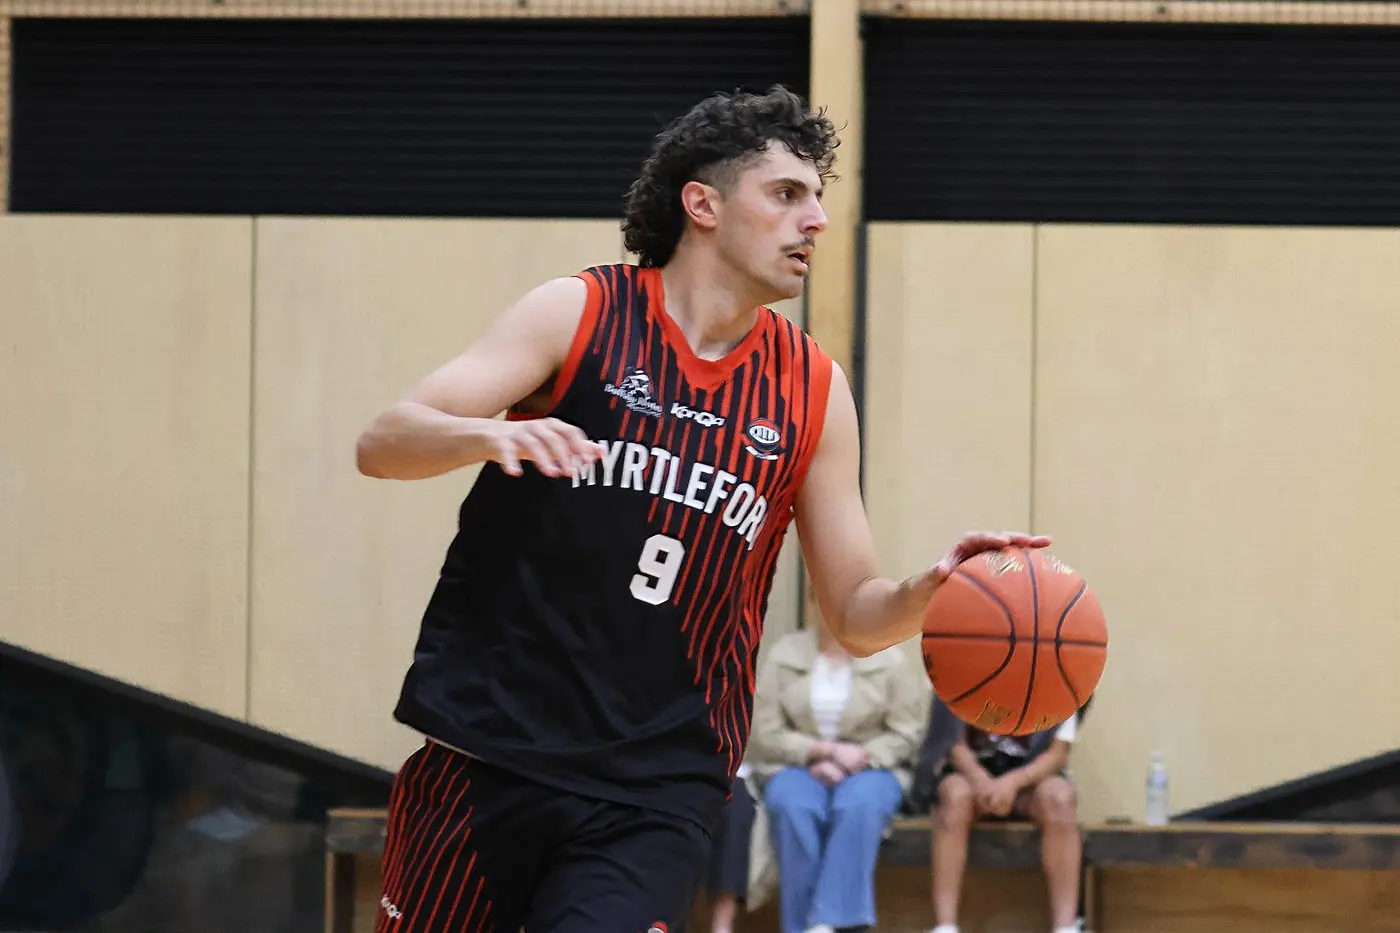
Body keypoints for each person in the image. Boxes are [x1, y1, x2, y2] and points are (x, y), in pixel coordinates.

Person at [355, 83, 1051, 933]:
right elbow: (384, 441)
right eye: (786, 194)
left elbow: (855, 614)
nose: (816, 221)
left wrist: (933, 587)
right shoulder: (580, 313)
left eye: (818, 198)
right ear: (704, 205)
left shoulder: (813, 388)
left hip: (653, 788)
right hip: (487, 748)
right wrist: (485, 435)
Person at [747, 621, 929, 933]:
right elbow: (764, 730)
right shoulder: (785, 654)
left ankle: (823, 922)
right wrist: (820, 752)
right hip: (798, 765)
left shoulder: (891, 659)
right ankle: (805, 925)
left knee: (859, 804)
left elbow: (907, 733)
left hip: (873, 766)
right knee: (793, 804)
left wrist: (857, 759)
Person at [913, 699, 1091, 933]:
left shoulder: (1058, 685)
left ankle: (1065, 926)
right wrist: (981, 780)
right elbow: (952, 744)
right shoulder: (956, 680)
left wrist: (1013, 783)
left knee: (1060, 798)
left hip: (1030, 779)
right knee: (954, 796)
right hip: (973, 775)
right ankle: (945, 925)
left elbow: (1058, 754)